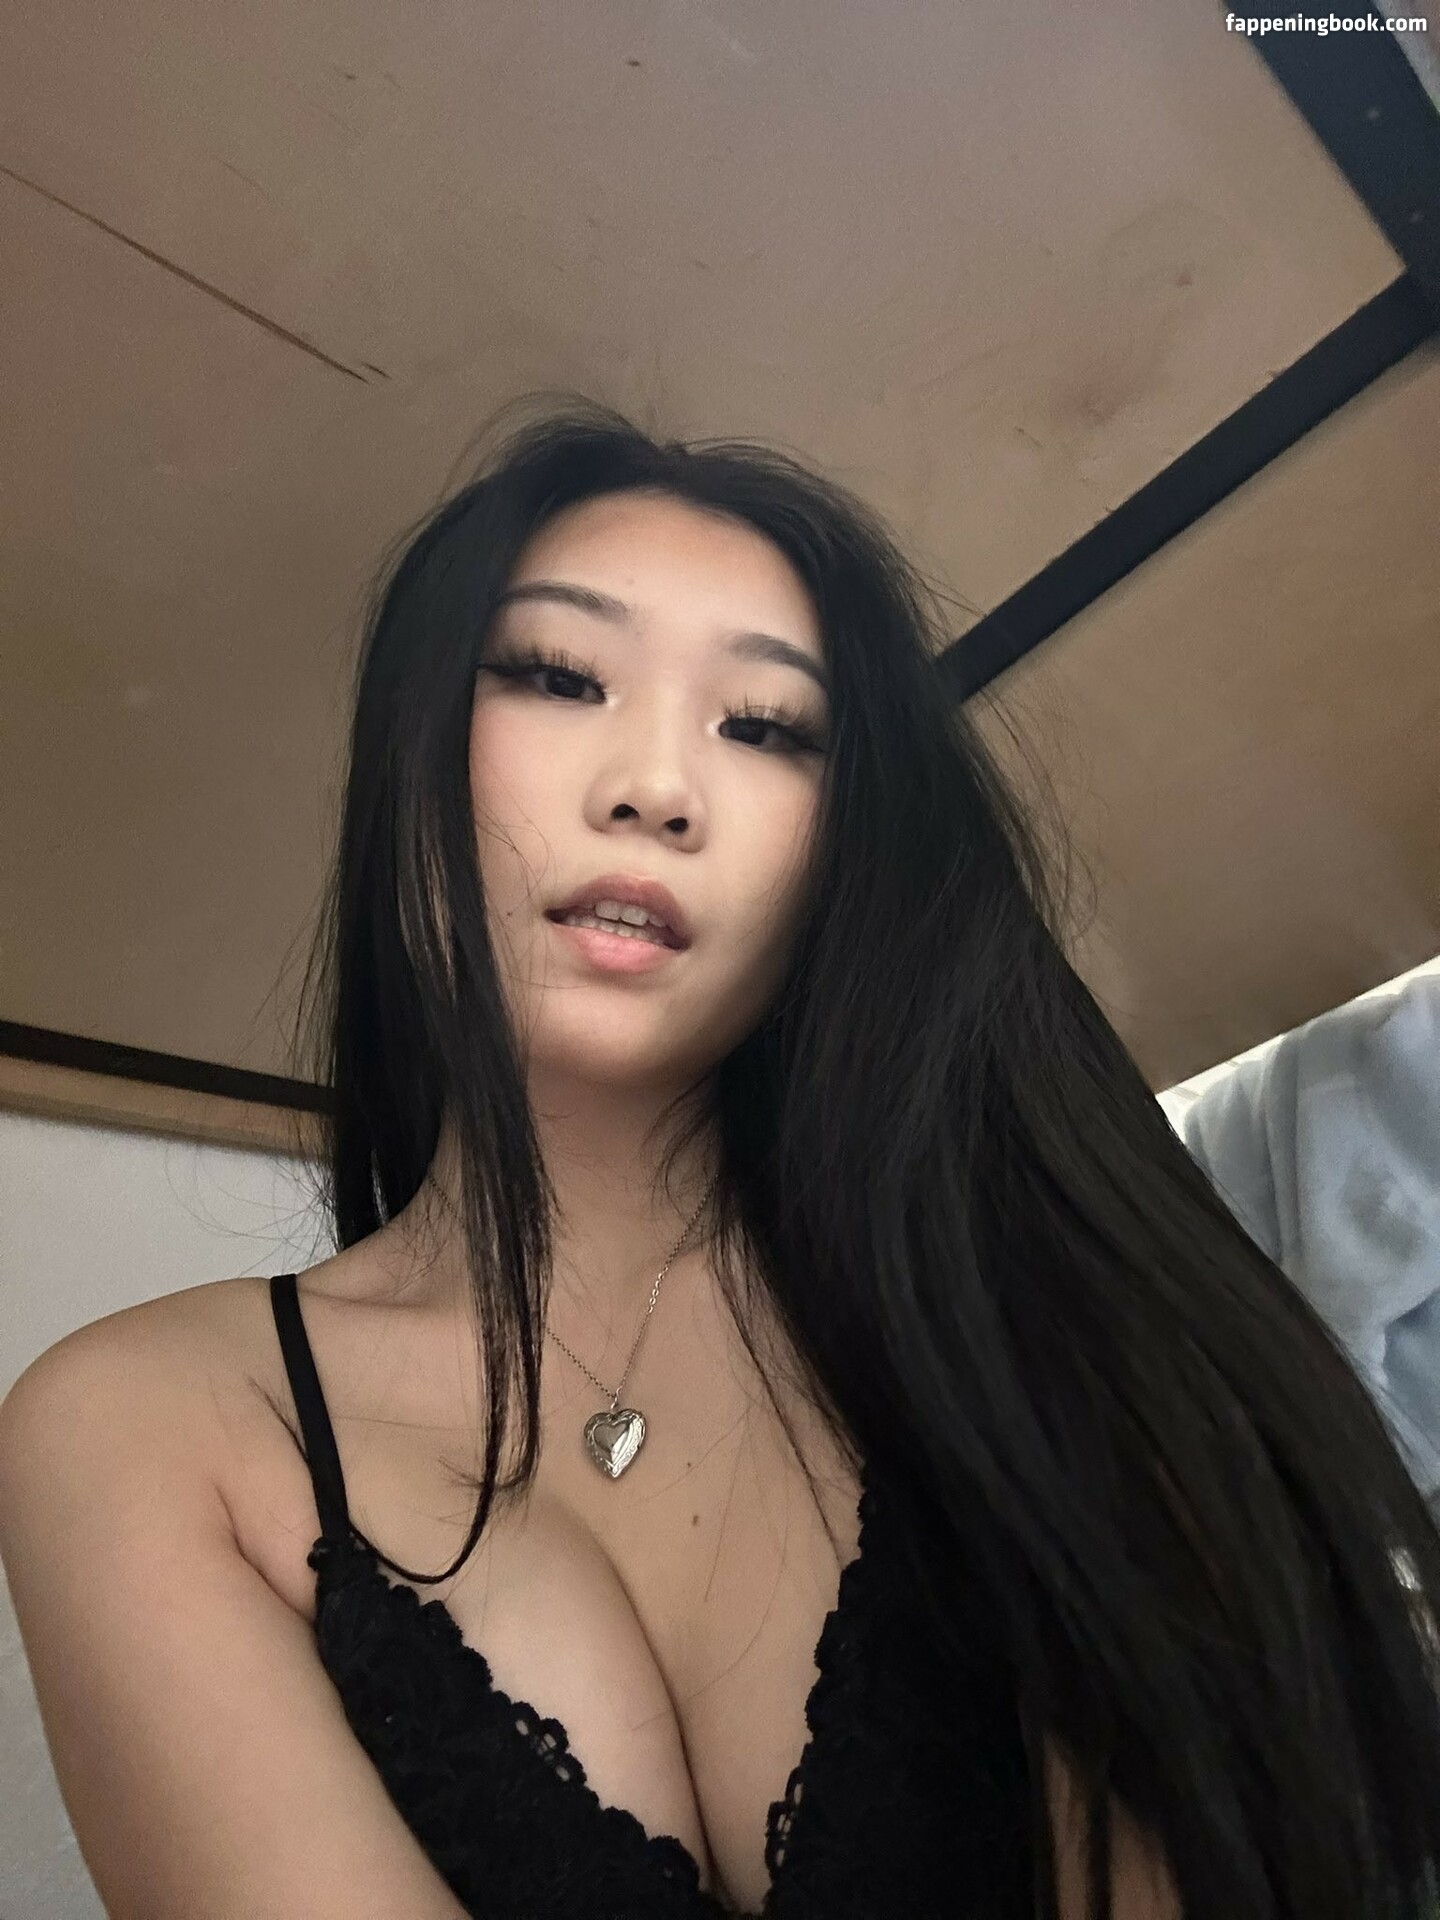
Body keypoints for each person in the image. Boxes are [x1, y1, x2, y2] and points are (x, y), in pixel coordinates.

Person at [1, 399, 1438, 1920]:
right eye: (558, 674)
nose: (656, 788)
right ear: (407, 756)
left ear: (846, 844)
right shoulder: (152, 1429)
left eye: (766, 728)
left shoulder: (1035, 1320)